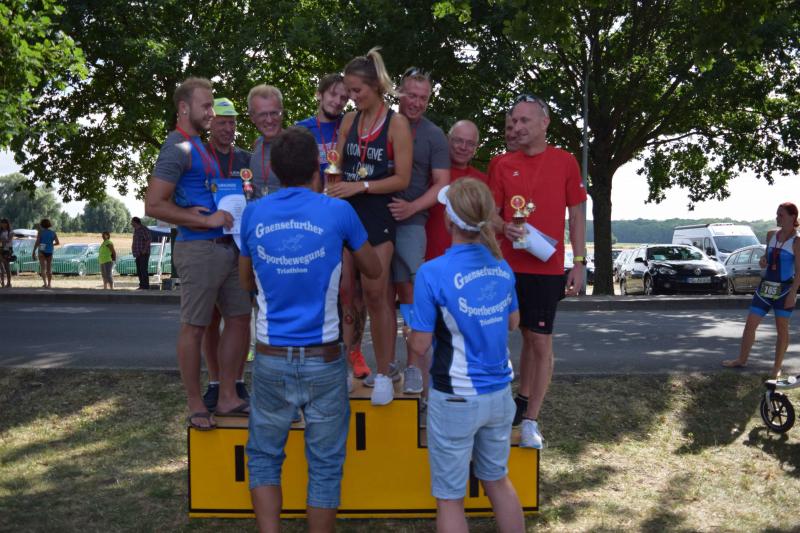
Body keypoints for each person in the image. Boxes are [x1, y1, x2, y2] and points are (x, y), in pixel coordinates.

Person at [240, 126, 380, 533]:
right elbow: (374, 269)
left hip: (271, 357)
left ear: (274, 170)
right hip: (325, 358)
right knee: (325, 464)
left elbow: (246, 280)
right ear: (318, 169)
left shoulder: (253, 213)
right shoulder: (338, 212)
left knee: (264, 456)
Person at [407, 178, 525, 533]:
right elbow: (513, 323)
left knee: (450, 498)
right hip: (499, 395)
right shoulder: (501, 265)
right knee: (498, 480)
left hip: (455, 396)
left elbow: (420, 346)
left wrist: (410, 332)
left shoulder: (431, 272)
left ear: (448, 219)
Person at [145, 77, 252, 430]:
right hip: (198, 249)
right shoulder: (177, 148)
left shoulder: (198, 146)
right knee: (194, 327)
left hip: (228, 248)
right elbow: (154, 204)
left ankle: (227, 396)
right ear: (183, 108)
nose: (211, 112)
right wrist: (202, 220)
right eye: (206, 106)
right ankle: (195, 403)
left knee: (239, 318)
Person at [490, 94, 587, 449]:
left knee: (540, 339)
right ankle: (505, 403)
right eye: (513, 121)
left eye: (524, 120)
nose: (517, 127)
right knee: (508, 337)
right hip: (506, 267)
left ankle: (530, 419)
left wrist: (579, 262)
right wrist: (504, 226)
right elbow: (489, 214)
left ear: (544, 123)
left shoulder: (565, 161)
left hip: (547, 268)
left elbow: (577, 214)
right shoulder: (501, 164)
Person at [327, 47, 413, 406]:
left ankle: (385, 372)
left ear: (376, 86)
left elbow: (402, 179)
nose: (351, 96)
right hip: (346, 210)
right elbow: (336, 165)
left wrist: (360, 186)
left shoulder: (396, 124)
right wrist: (332, 183)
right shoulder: (349, 121)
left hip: (377, 211)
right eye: (348, 90)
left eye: (357, 90)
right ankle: (349, 366)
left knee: (377, 294)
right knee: (347, 292)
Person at [296, 74, 372, 380]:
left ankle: (354, 351)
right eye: (332, 95)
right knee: (320, 286)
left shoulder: (353, 127)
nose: (338, 101)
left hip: (348, 213)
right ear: (319, 94)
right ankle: (318, 350)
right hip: (314, 217)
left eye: (344, 97)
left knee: (353, 289)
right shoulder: (302, 130)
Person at [381, 67, 450, 396]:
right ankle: (384, 366)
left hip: (411, 223)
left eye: (423, 97)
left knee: (412, 294)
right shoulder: (379, 124)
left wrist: (412, 208)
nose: (417, 102)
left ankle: (412, 366)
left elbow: (442, 184)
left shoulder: (434, 135)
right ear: (399, 93)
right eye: (411, 95)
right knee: (378, 294)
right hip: (376, 221)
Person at [201, 97, 254, 411]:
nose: (228, 128)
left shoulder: (246, 159)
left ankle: (237, 380)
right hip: (209, 245)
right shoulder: (199, 157)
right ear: (210, 123)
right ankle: (214, 382)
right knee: (210, 319)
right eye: (222, 122)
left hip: (240, 249)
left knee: (241, 318)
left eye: (232, 122)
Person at [723, 202, 800, 378]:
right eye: (777, 214)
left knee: (782, 329)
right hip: (765, 288)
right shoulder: (771, 234)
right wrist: (763, 260)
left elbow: (799, 270)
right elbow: (766, 258)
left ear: (792, 217)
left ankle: (776, 368)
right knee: (750, 324)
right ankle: (741, 359)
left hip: (784, 290)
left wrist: (793, 293)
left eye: (781, 215)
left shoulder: (797, 241)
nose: (777, 217)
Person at [425, 119, 487, 260]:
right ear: (448, 140)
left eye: (470, 143)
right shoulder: (430, 173)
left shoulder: (483, 181)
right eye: (458, 140)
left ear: (476, 147)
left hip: (468, 261)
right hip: (429, 257)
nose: (463, 147)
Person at [248, 84, 283, 198]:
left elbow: (311, 191)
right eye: (262, 114)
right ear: (252, 117)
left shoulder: (296, 145)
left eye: (274, 113)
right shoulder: (257, 144)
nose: (269, 120)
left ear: (281, 112)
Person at [32, 218, 59, 288]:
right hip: (50, 251)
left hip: (42, 250)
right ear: (49, 224)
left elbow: (37, 242)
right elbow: (57, 242)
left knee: (43, 268)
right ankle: (49, 284)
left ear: (42, 225)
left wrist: (33, 251)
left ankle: (45, 283)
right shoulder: (53, 233)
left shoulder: (40, 232)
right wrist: (51, 244)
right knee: (49, 268)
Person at [131, 217, 151, 290]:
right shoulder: (136, 230)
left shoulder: (144, 229)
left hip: (143, 253)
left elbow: (148, 239)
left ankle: (146, 286)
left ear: (136, 222)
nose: (131, 224)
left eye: (132, 222)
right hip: (138, 254)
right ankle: (142, 285)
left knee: (143, 270)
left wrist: (144, 250)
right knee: (139, 270)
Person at [0, 218, 12, 288]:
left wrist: (2, 240)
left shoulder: (10, 232)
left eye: (4, 223)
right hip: (1, 249)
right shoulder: (1, 232)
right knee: (2, 267)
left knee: (7, 266)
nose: (3, 225)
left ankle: (9, 282)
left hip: (7, 250)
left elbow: (8, 240)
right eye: (2, 223)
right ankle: (2, 282)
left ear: (7, 224)